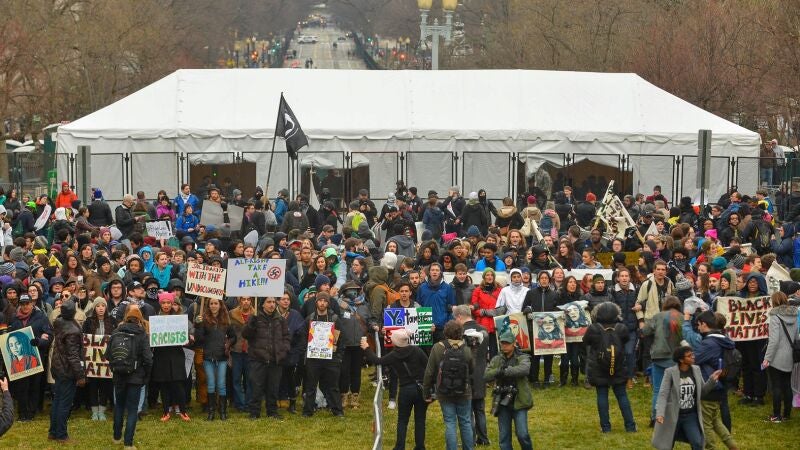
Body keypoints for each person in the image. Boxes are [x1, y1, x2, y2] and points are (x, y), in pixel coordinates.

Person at [361, 328, 429, 450]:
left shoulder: (394, 355)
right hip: (421, 388)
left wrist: (366, 348)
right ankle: (420, 446)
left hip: (405, 390)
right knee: (420, 419)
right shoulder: (417, 350)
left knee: (402, 420)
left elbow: (377, 361)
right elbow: (428, 366)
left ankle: (399, 447)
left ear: (395, 342)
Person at [681, 310, 738, 449]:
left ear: (704, 324)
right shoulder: (722, 339)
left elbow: (693, 360)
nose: (698, 328)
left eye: (698, 325)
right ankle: (733, 447)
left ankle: (711, 447)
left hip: (709, 387)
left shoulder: (709, 343)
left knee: (705, 424)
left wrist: (683, 347)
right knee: (716, 422)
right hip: (719, 386)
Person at [652, 346, 723, 450]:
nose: (693, 357)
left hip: (690, 415)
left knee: (697, 443)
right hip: (672, 415)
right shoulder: (670, 372)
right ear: (681, 360)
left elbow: (702, 392)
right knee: (667, 445)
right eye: (689, 356)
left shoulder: (696, 369)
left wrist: (712, 380)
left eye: (692, 354)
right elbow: (663, 393)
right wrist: (660, 413)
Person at [584, 302, 637, 433]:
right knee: (622, 396)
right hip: (618, 366)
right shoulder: (621, 328)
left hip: (599, 367)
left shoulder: (593, 328)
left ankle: (606, 428)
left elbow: (585, 341)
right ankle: (630, 426)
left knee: (602, 396)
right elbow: (625, 340)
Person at [423, 320, 474, 450]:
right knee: (465, 422)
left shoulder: (437, 348)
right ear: (461, 333)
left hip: (444, 390)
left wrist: (426, 392)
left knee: (450, 423)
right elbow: (472, 370)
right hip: (464, 391)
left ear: (445, 333)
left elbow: (429, 372)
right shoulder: (467, 348)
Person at [484, 328, 533, 450]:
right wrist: (498, 371)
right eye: (502, 343)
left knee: (522, 435)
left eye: (507, 343)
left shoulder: (523, 357)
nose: (504, 345)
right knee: (504, 438)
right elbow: (486, 375)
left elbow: (524, 369)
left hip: (519, 400)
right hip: (502, 401)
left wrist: (505, 371)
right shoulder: (496, 359)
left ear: (514, 343)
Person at [241, 296, 290, 419]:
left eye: (273, 302)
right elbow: (245, 334)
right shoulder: (255, 317)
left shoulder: (280, 319)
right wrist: (251, 322)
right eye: (268, 302)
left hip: (275, 360)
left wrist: (284, 350)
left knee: (273, 388)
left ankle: (272, 412)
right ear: (262, 304)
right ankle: (254, 412)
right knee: (256, 387)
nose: (272, 304)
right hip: (258, 359)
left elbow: (286, 336)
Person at [112, 306, 153, 450]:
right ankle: (128, 444)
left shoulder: (116, 332)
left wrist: (114, 369)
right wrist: (146, 375)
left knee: (119, 406)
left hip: (119, 375)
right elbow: (148, 359)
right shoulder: (142, 334)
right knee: (132, 409)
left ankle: (116, 436)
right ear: (140, 319)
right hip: (136, 377)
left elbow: (108, 354)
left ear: (126, 318)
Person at [48, 299, 87, 443]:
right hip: (67, 370)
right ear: (74, 312)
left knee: (57, 401)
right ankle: (61, 435)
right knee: (64, 404)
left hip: (58, 367)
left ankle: (53, 432)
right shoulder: (72, 331)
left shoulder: (59, 322)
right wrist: (80, 375)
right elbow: (73, 356)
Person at [302, 292, 345, 417]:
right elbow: (303, 338)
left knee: (333, 386)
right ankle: (308, 411)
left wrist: (338, 357)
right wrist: (306, 353)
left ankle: (337, 411)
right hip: (313, 358)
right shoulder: (310, 319)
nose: (322, 303)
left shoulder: (334, 319)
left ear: (328, 303)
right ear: (316, 302)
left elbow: (341, 339)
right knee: (310, 386)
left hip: (331, 359)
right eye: (320, 301)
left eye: (325, 301)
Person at [454, 304, 490, 446]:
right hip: (481, 372)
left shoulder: (460, 332)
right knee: (480, 409)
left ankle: (470, 439)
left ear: (459, 316)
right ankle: (483, 439)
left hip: (466, 374)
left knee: (467, 411)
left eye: (455, 318)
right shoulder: (484, 330)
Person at [194, 297, 236, 421]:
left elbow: (233, 337)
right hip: (208, 357)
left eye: (216, 303)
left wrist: (228, 344)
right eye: (211, 303)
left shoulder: (226, 320)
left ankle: (223, 412)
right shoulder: (204, 320)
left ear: (220, 305)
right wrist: (198, 325)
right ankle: (211, 412)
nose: (213, 305)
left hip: (222, 357)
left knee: (221, 384)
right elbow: (199, 339)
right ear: (208, 305)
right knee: (211, 384)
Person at [761, 291, 798, 423]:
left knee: (776, 386)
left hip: (776, 356)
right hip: (790, 356)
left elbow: (774, 340)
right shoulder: (794, 315)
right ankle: (786, 414)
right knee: (787, 385)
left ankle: (776, 415)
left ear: (774, 301)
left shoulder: (775, 317)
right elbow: (796, 337)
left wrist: (767, 358)